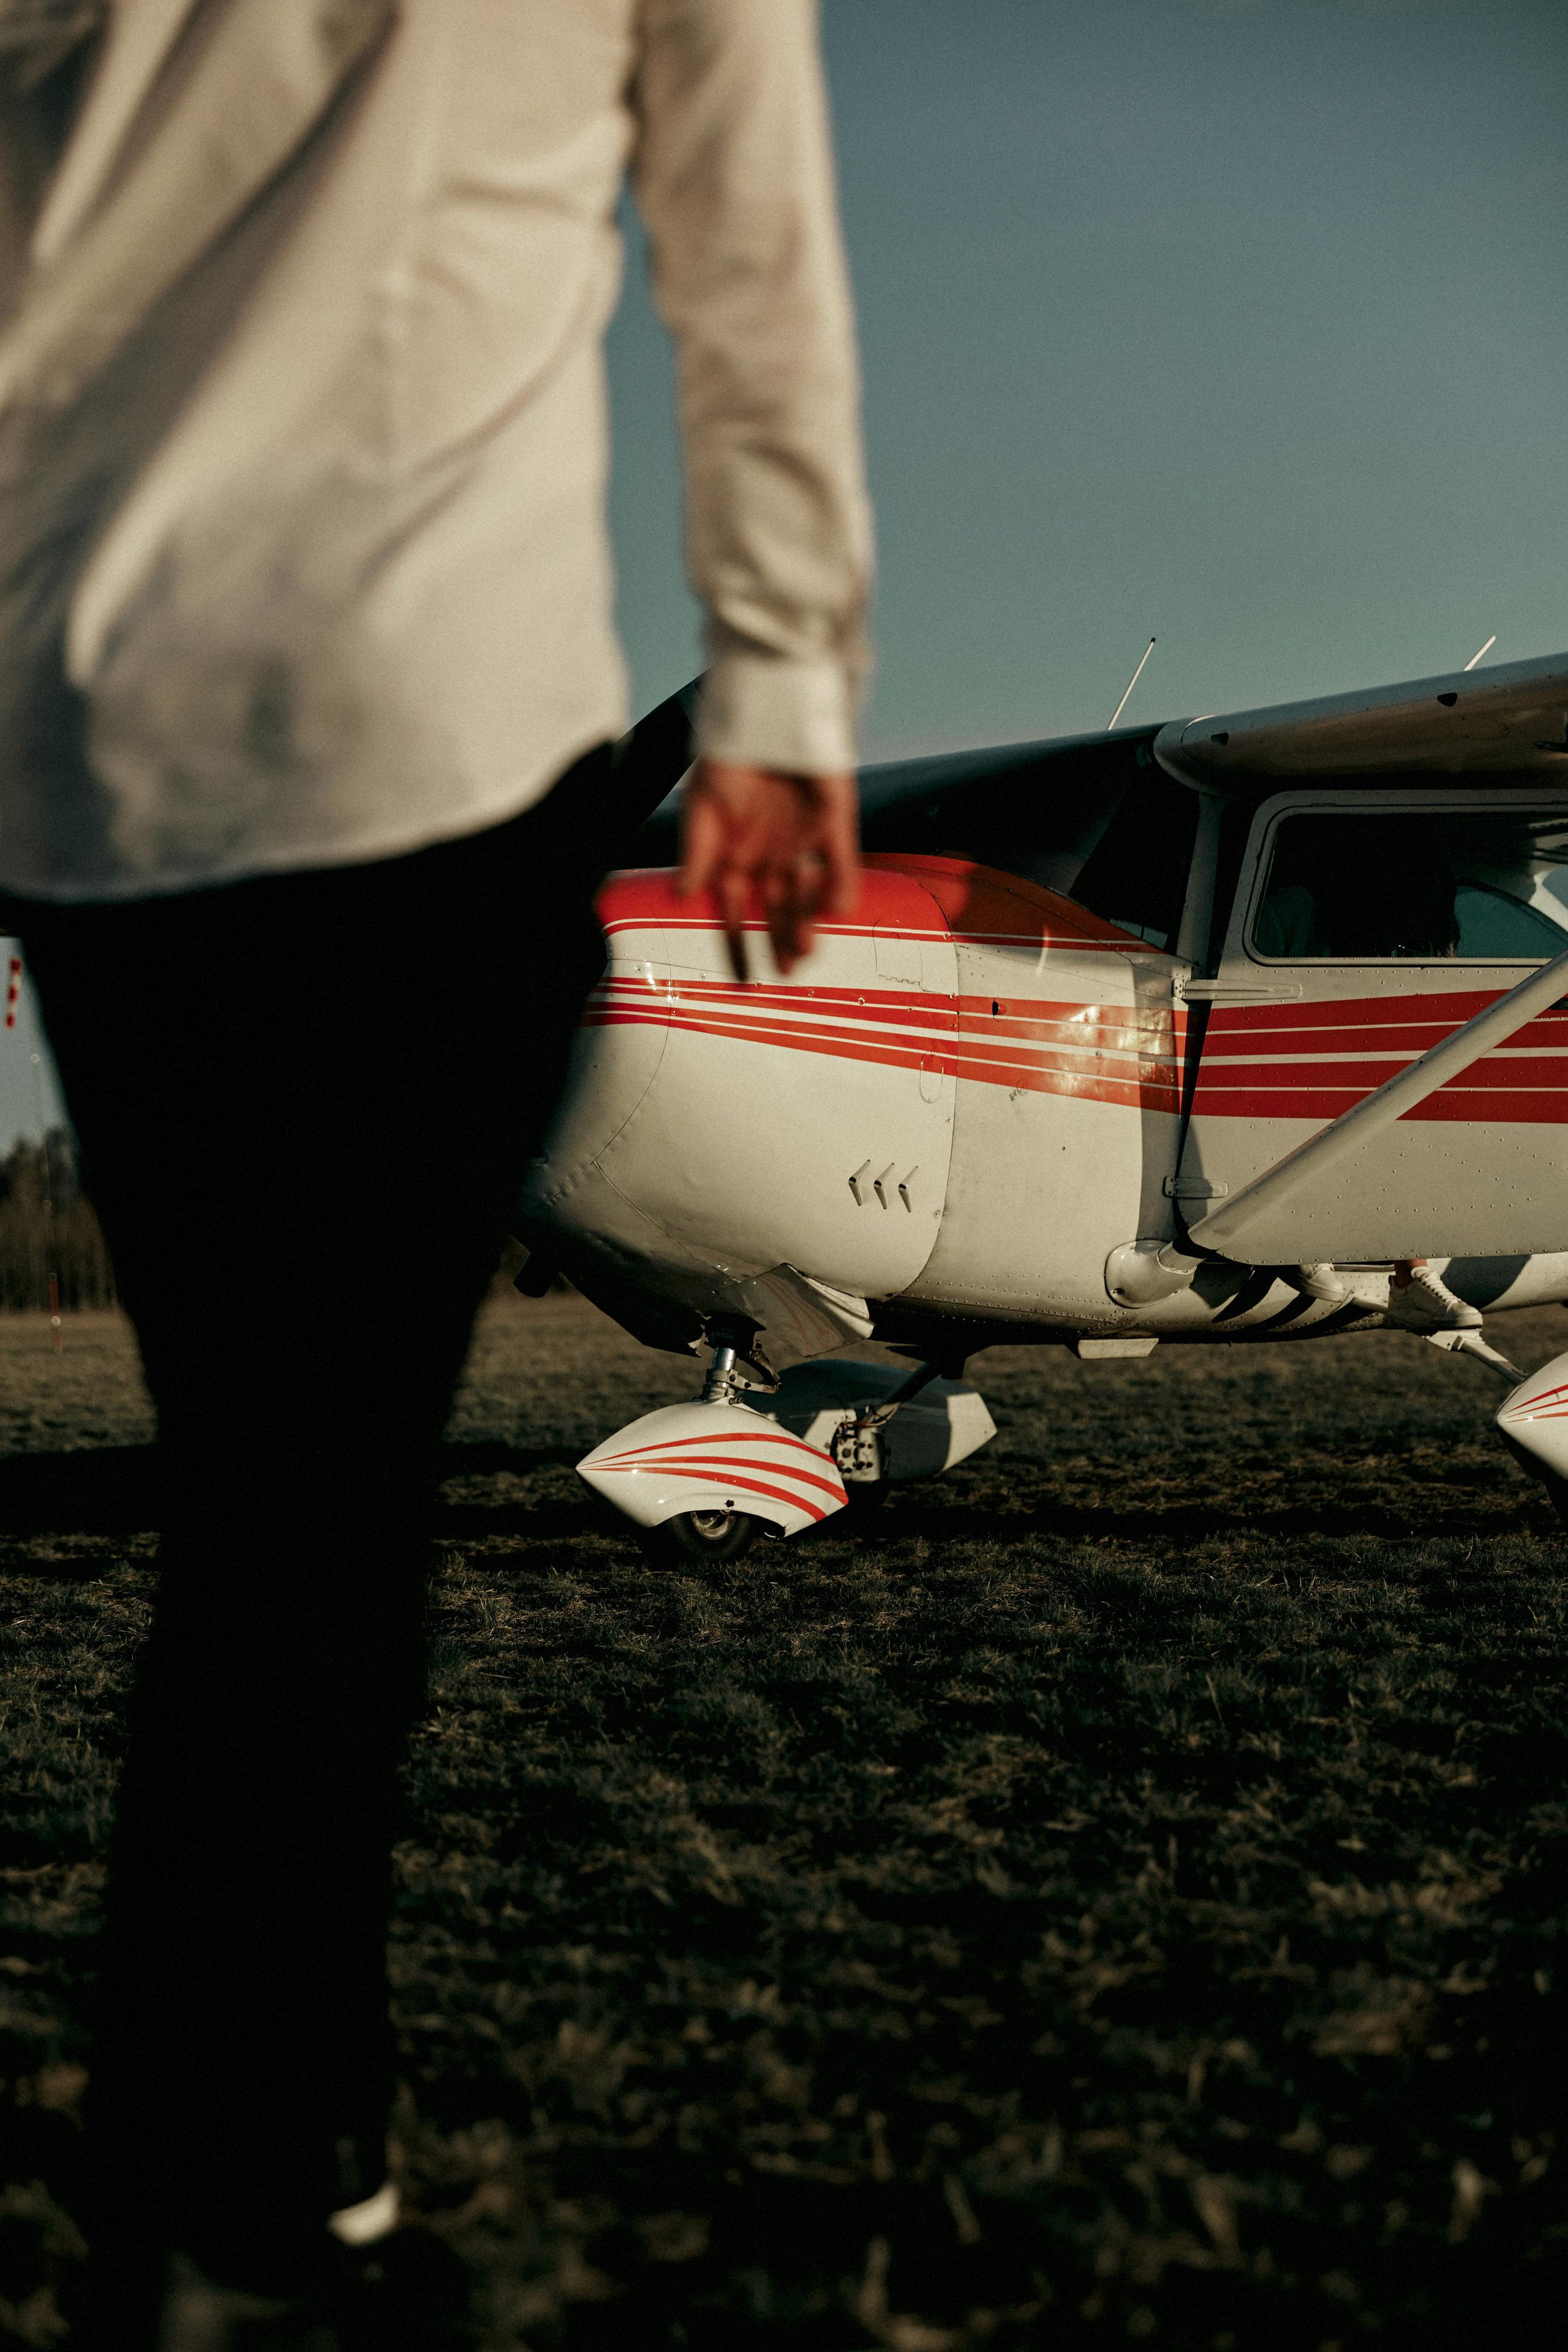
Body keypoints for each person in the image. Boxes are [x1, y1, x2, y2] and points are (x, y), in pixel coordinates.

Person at [0, 4, 870, 2345]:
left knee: (250, 1491)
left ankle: (258, 2139)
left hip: (91, 763)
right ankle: (249, 2187)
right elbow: (747, 239)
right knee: (315, 1512)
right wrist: (783, 680)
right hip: (426, 742)